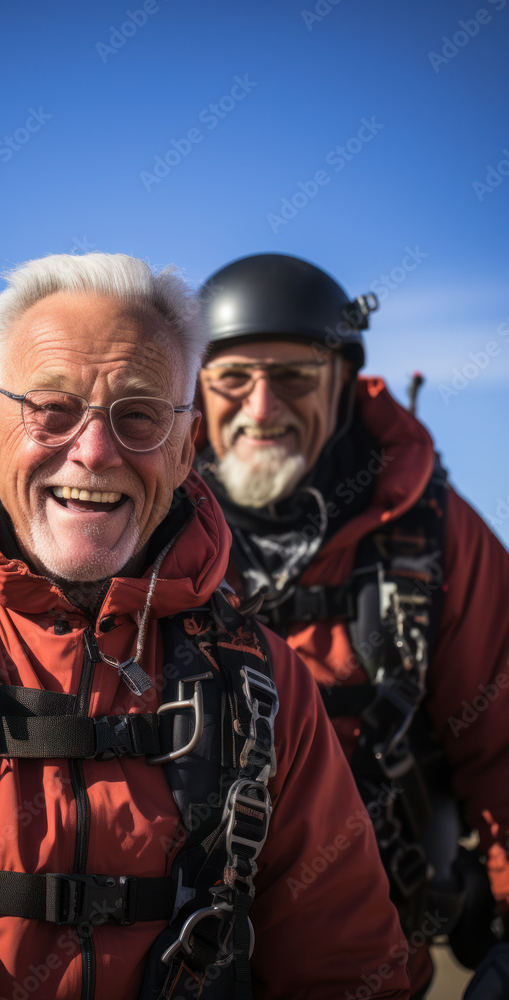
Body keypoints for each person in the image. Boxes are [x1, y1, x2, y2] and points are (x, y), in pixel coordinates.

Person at [0, 253, 409, 1000]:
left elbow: (347, 965)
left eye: (138, 415)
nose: (93, 453)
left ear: (185, 443)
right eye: (50, 409)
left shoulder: (260, 681)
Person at [196, 251, 509, 998]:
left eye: (295, 378)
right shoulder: (141, 523)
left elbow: (502, 749)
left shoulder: (434, 535)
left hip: (374, 954)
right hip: (175, 945)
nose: (261, 407)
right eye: (232, 379)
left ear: (342, 380)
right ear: (193, 389)